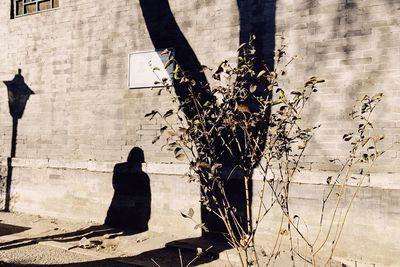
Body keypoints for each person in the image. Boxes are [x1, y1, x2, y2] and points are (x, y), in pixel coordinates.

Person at [105, 147, 151, 232]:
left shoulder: (119, 168)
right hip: (127, 201)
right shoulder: (142, 176)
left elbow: (115, 185)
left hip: (121, 200)